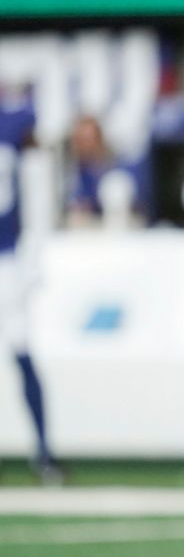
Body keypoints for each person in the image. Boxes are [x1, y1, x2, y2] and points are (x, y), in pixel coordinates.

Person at [0, 99, 61, 484]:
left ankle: (43, 451)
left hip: (8, 260)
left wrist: (33, 259)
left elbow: (37, 192)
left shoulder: (15, 124)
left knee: (21, 350)